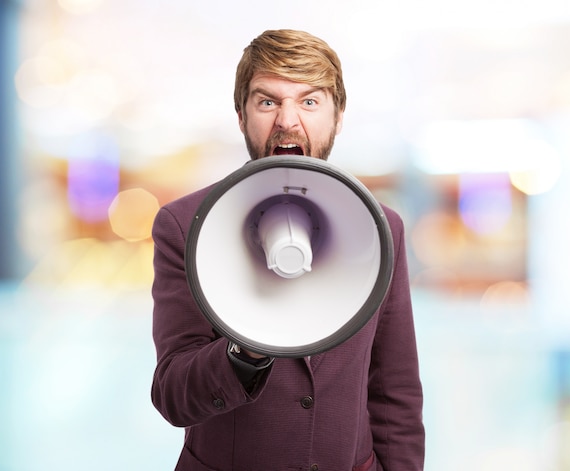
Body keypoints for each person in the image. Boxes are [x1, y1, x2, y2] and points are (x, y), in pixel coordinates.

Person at [151, 29, 425, 471]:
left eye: (310, 101)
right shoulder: (185, 226)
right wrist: (246, 349)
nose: (287, 121)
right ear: (241, 115)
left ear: (337, 117)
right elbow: (173, 396)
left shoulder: (382, 229)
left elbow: (395, 391)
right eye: (268, 101)